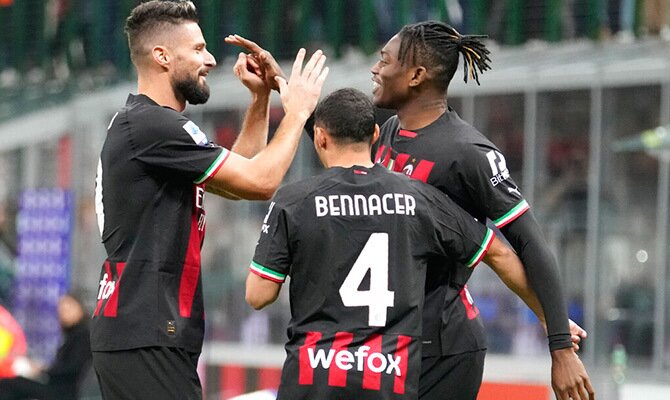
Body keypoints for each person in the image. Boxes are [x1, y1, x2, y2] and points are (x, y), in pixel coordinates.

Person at [90, 1, 328, 399]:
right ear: (162, 56)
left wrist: (259, 101)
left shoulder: (152, 127)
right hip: (146, 329)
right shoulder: (153, 125)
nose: (212, 60)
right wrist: (298, 111)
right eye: (198, 49)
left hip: (146, 330)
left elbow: (239, 180)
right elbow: (262, 181)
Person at [245, 88, 542, 399]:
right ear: (375, 135)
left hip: (314, 378)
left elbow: (258, 295)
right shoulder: (417, 198)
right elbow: (498, 252)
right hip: (387, 380)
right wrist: (549, 319)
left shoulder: (294, 201)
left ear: (320, 137)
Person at [370, 21, 595, 400]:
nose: (375, 69)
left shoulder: (469, 153)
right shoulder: (391, 131)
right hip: (393, 338)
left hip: (445, 348)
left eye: (384, 60)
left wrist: (560, 347)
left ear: (416, 76)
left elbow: (530, 244)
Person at [0, 293, 91, 400]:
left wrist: (43, 370)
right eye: (61, 309)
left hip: (62, 391)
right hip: (55, 385)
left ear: (80, 309)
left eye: (68, 308)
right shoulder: (72, 334)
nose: (64, 313)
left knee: (9, 384)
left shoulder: (83, 335)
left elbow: (72, 368)